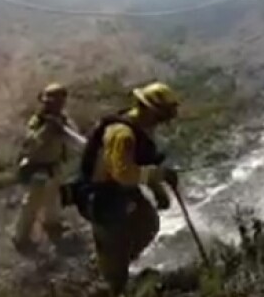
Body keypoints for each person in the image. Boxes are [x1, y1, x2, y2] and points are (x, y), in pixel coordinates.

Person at [65, 81, 180, 296]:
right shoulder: (122, 135)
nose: (161, 122)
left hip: (120, 191)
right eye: (160, 116)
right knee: (115, 251)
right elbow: (124, 174)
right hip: (102, 197)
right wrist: (159, 176)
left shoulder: (142, 127)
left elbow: (142, 164)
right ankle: (110, 281)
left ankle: (111, 263)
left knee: (147, 223)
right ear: (147, 110)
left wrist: (158, 190)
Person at [12, 83, 80, 253]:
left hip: (54, 165)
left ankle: (52, 224)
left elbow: (74, 138)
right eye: (50, 102)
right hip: (37, 167)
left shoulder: (63, 119)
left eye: (58, 102)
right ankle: (21, 236)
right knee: (32, 204)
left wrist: (62, 127)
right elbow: (31, 143)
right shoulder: (37, 121)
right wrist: (47, 129)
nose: (54, 105)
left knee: (53, 199)